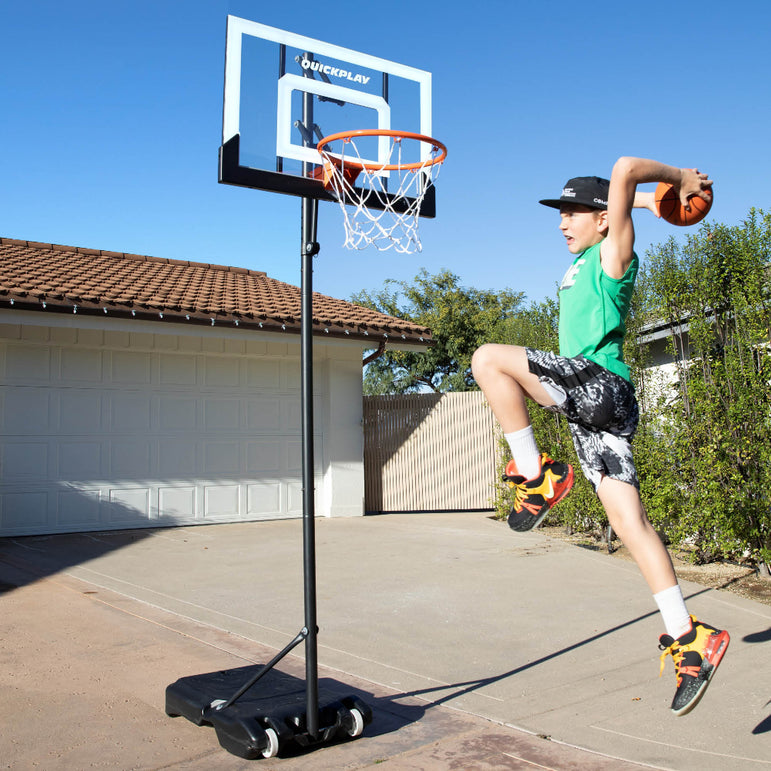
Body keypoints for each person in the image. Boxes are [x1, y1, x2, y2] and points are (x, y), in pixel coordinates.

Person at [471, 157, 729, 716]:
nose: (563, 223)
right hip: (599, 410)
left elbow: (626, 168)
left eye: (573, 213)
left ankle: (537, 477)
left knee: (487, 358)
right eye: (560, 214)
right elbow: (618, 200)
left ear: (603, 220)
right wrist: (647, 200)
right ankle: (691, 639)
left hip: (598, 385)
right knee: (629, 524)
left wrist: (676, 180)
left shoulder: (613, 258)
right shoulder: (587, 251)